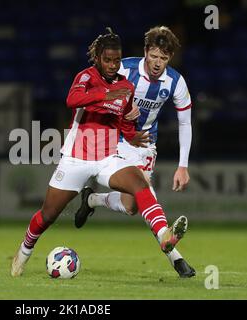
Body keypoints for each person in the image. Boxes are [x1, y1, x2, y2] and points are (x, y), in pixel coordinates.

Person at [11, 27, 189, 277]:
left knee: (140, 185)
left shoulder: (125, 86)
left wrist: (132, 134)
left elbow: (124, 122)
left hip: (107, 157)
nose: (113, 65)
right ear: (97, 58)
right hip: (76, 157)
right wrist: (107, 93)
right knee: (48, 215)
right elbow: (72, 100)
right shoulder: (86, 77)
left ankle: (164, 236)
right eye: (108, 60)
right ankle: (23, 252)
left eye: (117, 60)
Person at [74, 26, 195, 278]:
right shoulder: (124, 69)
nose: (157, 63)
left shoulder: (175, 82)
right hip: (115, 140)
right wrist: (115, 110)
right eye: (154, 56)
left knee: (131, 206)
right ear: (145, 52)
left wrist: (182, 165)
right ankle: (174, 253)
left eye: (163, 58)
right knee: (144, 191)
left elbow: (185, 122)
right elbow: (91, 96)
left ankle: (92, 199)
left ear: (169, 58)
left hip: (144, 145)